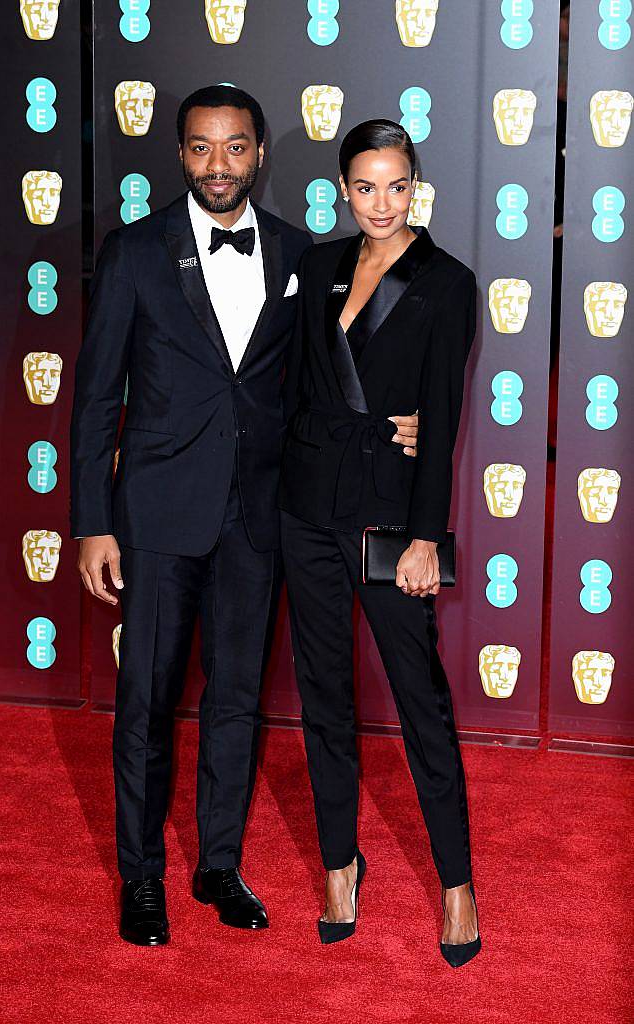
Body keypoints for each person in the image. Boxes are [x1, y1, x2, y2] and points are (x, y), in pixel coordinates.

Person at [70, 84, 421, 946]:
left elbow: (322, 383)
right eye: (199, 148)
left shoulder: (301, 254)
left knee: (235, 698)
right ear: (180, 155)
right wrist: (91, 520)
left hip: (259, 514)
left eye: (234, 148)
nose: (217, 165)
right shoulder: (134, 252)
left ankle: (217, 863)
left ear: (260, 153)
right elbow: (92, 398)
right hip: (156, 512)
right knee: (146, 700)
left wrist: (396, 425)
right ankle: (141, 874)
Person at [279, 119, 481, 966]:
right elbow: (286, 381)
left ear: (415, 187)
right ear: (340, 187)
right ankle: (338, 864)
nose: (380, 203)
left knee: (420, 705)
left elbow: (439, 422)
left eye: (395, 185)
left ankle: (457, 884)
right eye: (364, 186)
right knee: (322, 698)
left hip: (389, 520)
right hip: (306, 511)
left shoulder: (447, 280)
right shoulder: (316, 265)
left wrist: (426, 537)